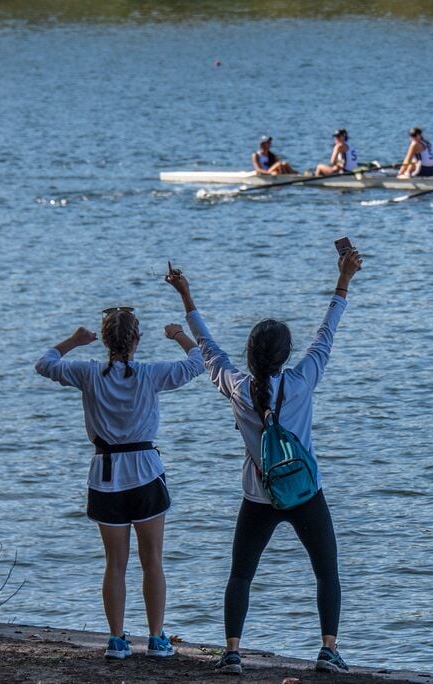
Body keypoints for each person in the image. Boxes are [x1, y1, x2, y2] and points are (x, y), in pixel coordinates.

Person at [165, 246, 363, 676]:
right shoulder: (302, 380)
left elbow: (207, 346)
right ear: (284, 357)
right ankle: (328, 650)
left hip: (258, 495)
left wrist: (186, 295)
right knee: (327, 573)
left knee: (241, 575)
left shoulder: (236, 387)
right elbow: (326, 334)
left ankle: (232, 652)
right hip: (306, 493)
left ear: (251, 354)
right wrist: (343, 280)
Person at [34, 306, 205, 661]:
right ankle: (157, 638)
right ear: (136, 341)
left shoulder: (88, 373)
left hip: (106, 473)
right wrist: (178, 335)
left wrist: (73, 341)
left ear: (105, 342)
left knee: (115, 563)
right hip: (144, 470)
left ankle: (116, 639)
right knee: (152, 560)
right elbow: (198, 362)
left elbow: (44, 364)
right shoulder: (149, 374)